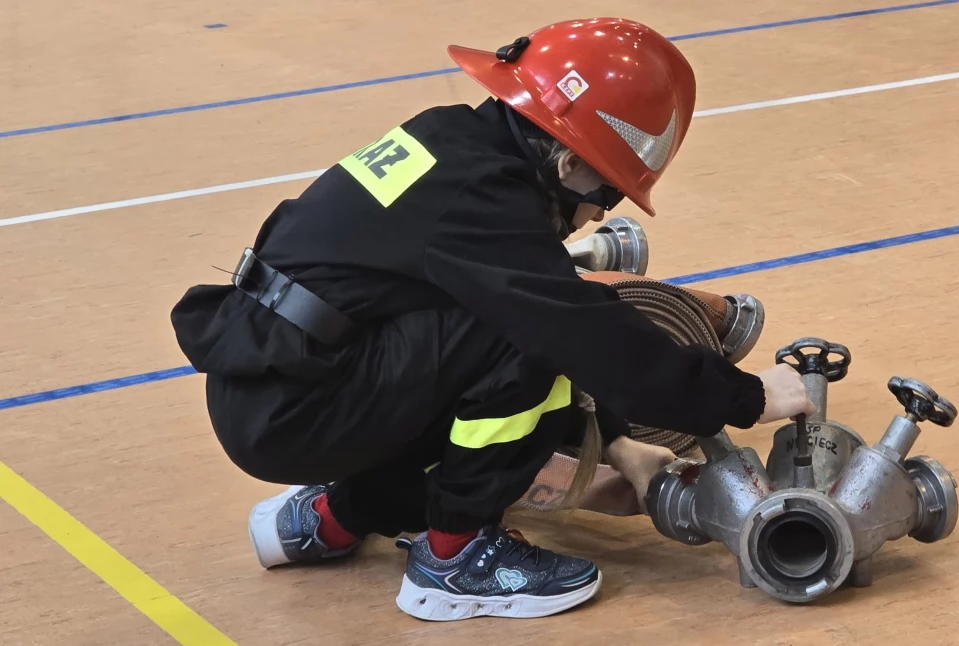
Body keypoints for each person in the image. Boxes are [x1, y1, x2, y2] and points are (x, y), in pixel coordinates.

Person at [169, 17, 816, 622]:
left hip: (278, 385)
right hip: (298, 410)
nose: (599, 213)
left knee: (510, 345)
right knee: (525, 333)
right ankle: (453, 563)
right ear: (571, 164)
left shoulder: (455, 142)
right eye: (609, 192)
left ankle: (329, 521)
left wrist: (617, 444)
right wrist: (744, 396)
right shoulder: (484, 199)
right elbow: (580, 332)